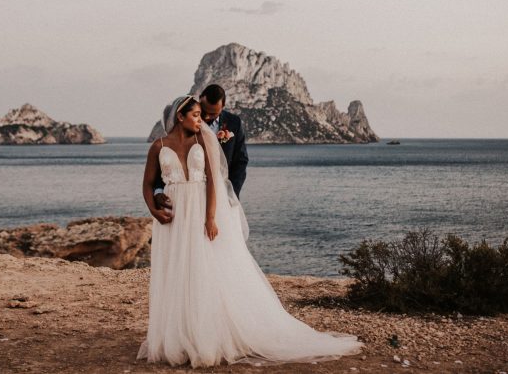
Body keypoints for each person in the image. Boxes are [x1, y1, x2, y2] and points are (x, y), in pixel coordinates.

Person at [138, 95, 363, 368]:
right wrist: (153, 208)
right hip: (173, 218)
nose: (202, 120)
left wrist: (210, 218)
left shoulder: (202, 141)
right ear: (180, 117)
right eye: (196, 115)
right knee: (177, 271)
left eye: (201, 115)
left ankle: (204, 334)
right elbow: (148, 184)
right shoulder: (158, 146)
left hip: (199, 211)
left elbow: (212, 183)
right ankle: (177, 336)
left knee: (203, 270)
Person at [153, 84, 248, 218]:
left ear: (223, 107)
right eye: (204, 111)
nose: (207, 117)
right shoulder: (187, 122)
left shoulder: (234, 123)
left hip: (222, 196)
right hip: (190, 198)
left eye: (213, 113)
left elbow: (240, 161)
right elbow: (167, 159)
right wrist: (158, 190)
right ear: (200, 100)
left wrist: (231, 194)